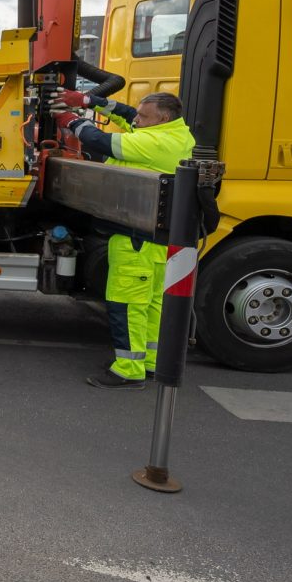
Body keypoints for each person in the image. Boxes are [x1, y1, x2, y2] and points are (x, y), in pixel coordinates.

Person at [55, 90, 195, 389]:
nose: (138, 121)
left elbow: (100, 141)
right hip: (155, 240)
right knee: (151, 303)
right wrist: (92, 101)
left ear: (163, 118)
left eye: (145, 117)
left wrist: (69, 119)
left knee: (127, 303)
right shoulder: (175, 133)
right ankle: (150, 361)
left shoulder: (154, 142)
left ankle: (128, 369)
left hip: (135, 241)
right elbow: (130, 115)